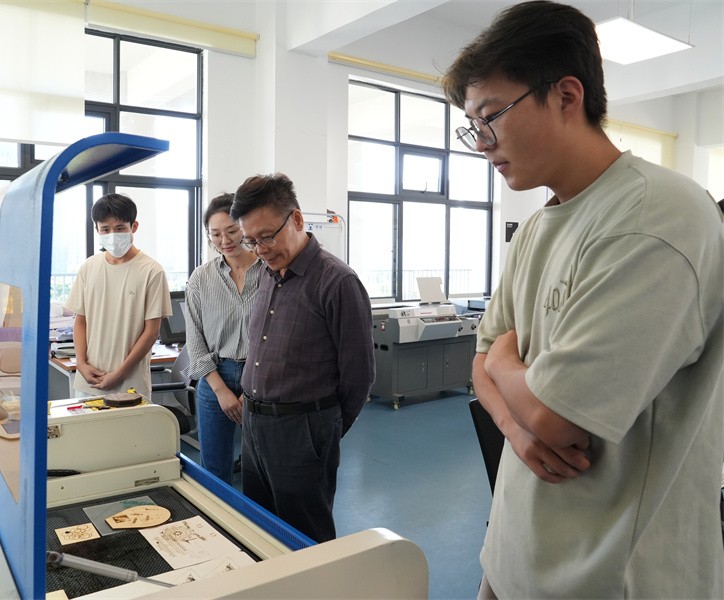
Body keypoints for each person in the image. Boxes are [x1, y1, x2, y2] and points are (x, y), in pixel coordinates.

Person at [442, 2, 724, 597]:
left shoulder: (656, 216)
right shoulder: (537, 226)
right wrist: (516, 430)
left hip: (610, 574)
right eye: (472, 126)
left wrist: (506, 367)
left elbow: (558, 418)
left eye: (491, 117)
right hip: (513, 553)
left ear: (566, 96)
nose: (481, 143)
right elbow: (482, 363)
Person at [230, 173, 375, 543]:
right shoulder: (265, 274)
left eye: (267, 236)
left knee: (305, 537)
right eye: (251, 240)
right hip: (254, 424)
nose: (260, 249)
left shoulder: (337, 282)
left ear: (296, 219)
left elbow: (359, 375)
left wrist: (324, 432)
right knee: (260, 529)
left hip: (302, 429)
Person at [183, 193, 262, 485]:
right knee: (214, 470)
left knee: (262, 468)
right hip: (216, 375)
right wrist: (221, 391)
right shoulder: (201, 278)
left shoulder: (270, 272)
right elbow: (195, 338)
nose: (224, 240)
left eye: (231, 230)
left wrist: (250, 388)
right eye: (215, 234)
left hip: (263, 376)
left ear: (245, 228)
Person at [65, 193, 172, 399]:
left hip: (130, 384)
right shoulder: (89, 267)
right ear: (97, 229)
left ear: (134, 226)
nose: (112, 234)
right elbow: (80, 321)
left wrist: (120, 373)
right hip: (89, 381)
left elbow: (151, 332)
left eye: (120, 228)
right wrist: (81, 363)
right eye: (105, 229)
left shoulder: (152, 271)